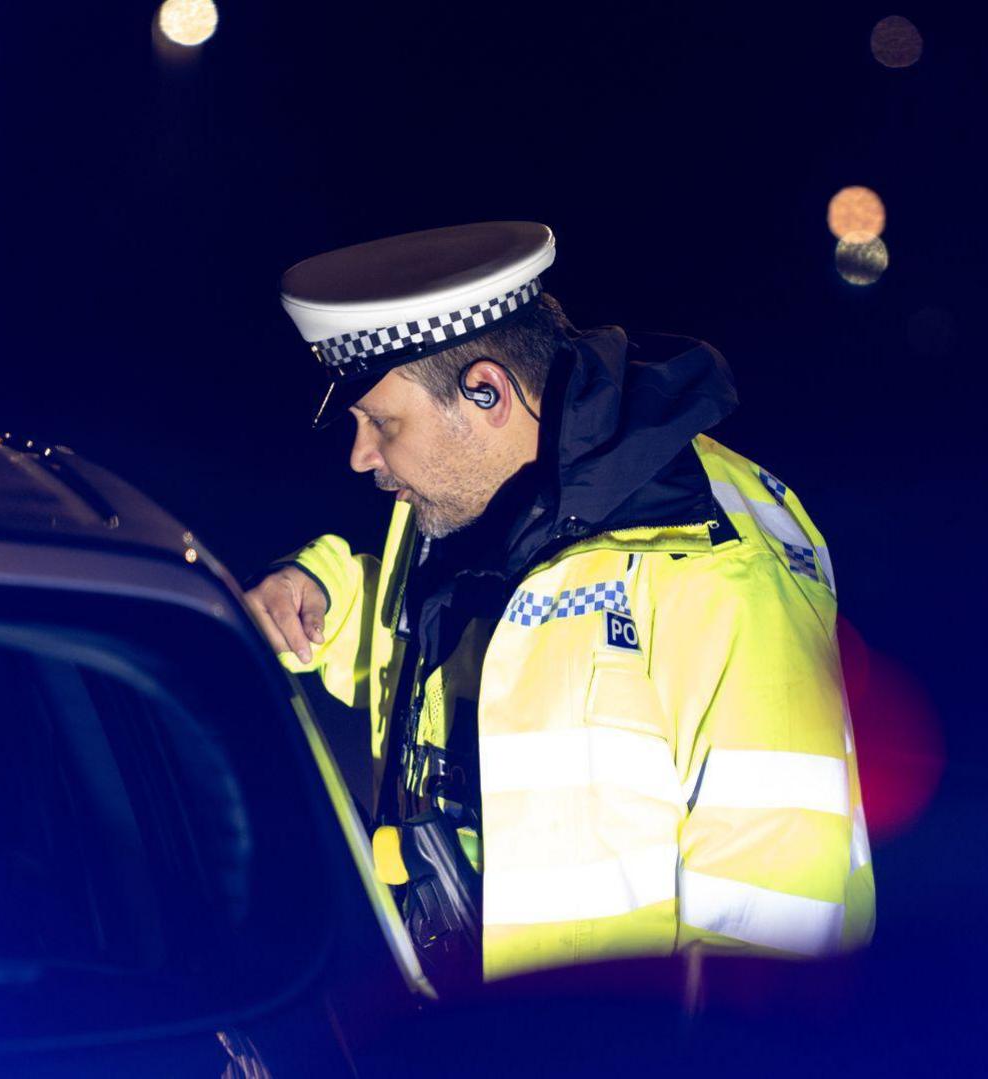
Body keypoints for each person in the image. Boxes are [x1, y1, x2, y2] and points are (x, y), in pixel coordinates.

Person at [244, 222, 874, 987]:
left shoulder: (718, 572)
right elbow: (458, 654)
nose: (362, 456)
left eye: (382, 422)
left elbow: (776, 929)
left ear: (487, 392)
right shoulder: (486, 507)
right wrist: (324, 593)